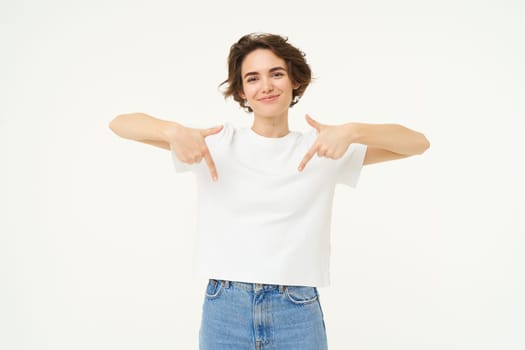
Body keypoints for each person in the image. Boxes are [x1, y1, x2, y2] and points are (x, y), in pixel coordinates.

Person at [109, 32, 430, 350]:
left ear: (294, 80)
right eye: (253, 78)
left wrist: (353, 131)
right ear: (241, 91)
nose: (266, 86)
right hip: (225, 309)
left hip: (296, 310)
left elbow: (417, 144)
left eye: (276, 73)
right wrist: (173, 131)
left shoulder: (323, 148)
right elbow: (120, 124)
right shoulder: (215, 144)